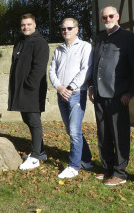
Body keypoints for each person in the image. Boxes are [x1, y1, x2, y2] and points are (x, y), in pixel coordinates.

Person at [88, 6, 134, 186]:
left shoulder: (128, 37)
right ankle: (107, 167)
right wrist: (92, 86)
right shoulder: (100, 38)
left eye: (110, 16)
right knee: (103, 133)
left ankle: (120, 172)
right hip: (100, 94)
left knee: (119, 134)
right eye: (104, 17)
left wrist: (130, 92)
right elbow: (95, 65)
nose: (107, 19)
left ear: (117, 16)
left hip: (118, 94)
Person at [49, 18, 93, 179]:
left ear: (77, 29)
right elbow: (52, 70)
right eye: (63, 29)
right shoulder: (58, 49)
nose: (66, 31)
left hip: (76, 94)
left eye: (69, 28)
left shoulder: (85, 47)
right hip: (61, 94)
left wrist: (70, 87)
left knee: (74, 131)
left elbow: (86, 70)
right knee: (71, 130)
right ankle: (87, 160)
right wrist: (60, 87)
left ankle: (73, 166)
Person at [8, 13, 50, 170]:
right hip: (21, 89)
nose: (26, 27)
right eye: (23, 25)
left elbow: (39, 67)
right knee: (27, 120)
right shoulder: (20, 42)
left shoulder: (40, 43)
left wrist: (29, 85)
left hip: (33, 90)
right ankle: (41, 151)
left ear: (35, 25)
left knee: (34, 121)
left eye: (28, 24)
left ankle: (35, 157)